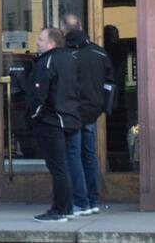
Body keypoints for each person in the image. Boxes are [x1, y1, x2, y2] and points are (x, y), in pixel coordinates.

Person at [61, 14, 113, 216]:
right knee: (89, 155)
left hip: (72, 111)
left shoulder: (64, 54)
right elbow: (110, 83)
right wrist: (102, 107)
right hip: (92, 112)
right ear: (81, 26)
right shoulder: (99, 53)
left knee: (73, 155)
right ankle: (91, 200)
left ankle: (80, 202)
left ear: (64, 30)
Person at [28, 27, 80, 223]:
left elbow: (39, 93)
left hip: (51, 121)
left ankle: (59, 210)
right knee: (63, 165)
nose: (37, 42)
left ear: (51, 43)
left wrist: (34, 116)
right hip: (69, 120)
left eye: (41, 39)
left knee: (57, 167)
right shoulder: (71, 59)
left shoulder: (47, 61)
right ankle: (66, 208)